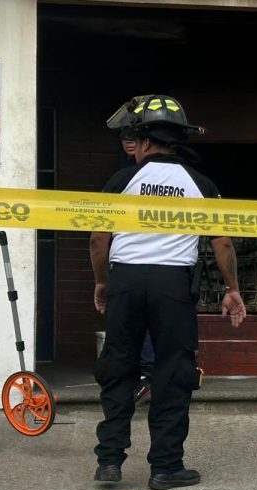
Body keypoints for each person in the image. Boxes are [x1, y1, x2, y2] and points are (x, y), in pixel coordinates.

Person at [91, 95, 246, 489]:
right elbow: (223, 243)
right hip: (173, 287)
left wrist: (103, 283)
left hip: (125, 281)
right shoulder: (201, 184)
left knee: (119, 368)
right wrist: (233, 289)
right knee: (173, 372)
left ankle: (109, 462)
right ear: (177, 140)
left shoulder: (122, 180)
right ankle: (165, 467)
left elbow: (97, 239)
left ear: (142, 141)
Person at [119, 135, 154, 403]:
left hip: (156, 261)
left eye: (135, 138)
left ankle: (148, 376)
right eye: (124, 138)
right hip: (129, 260)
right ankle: (144, 376)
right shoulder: (122, 176)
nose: (129, 143)